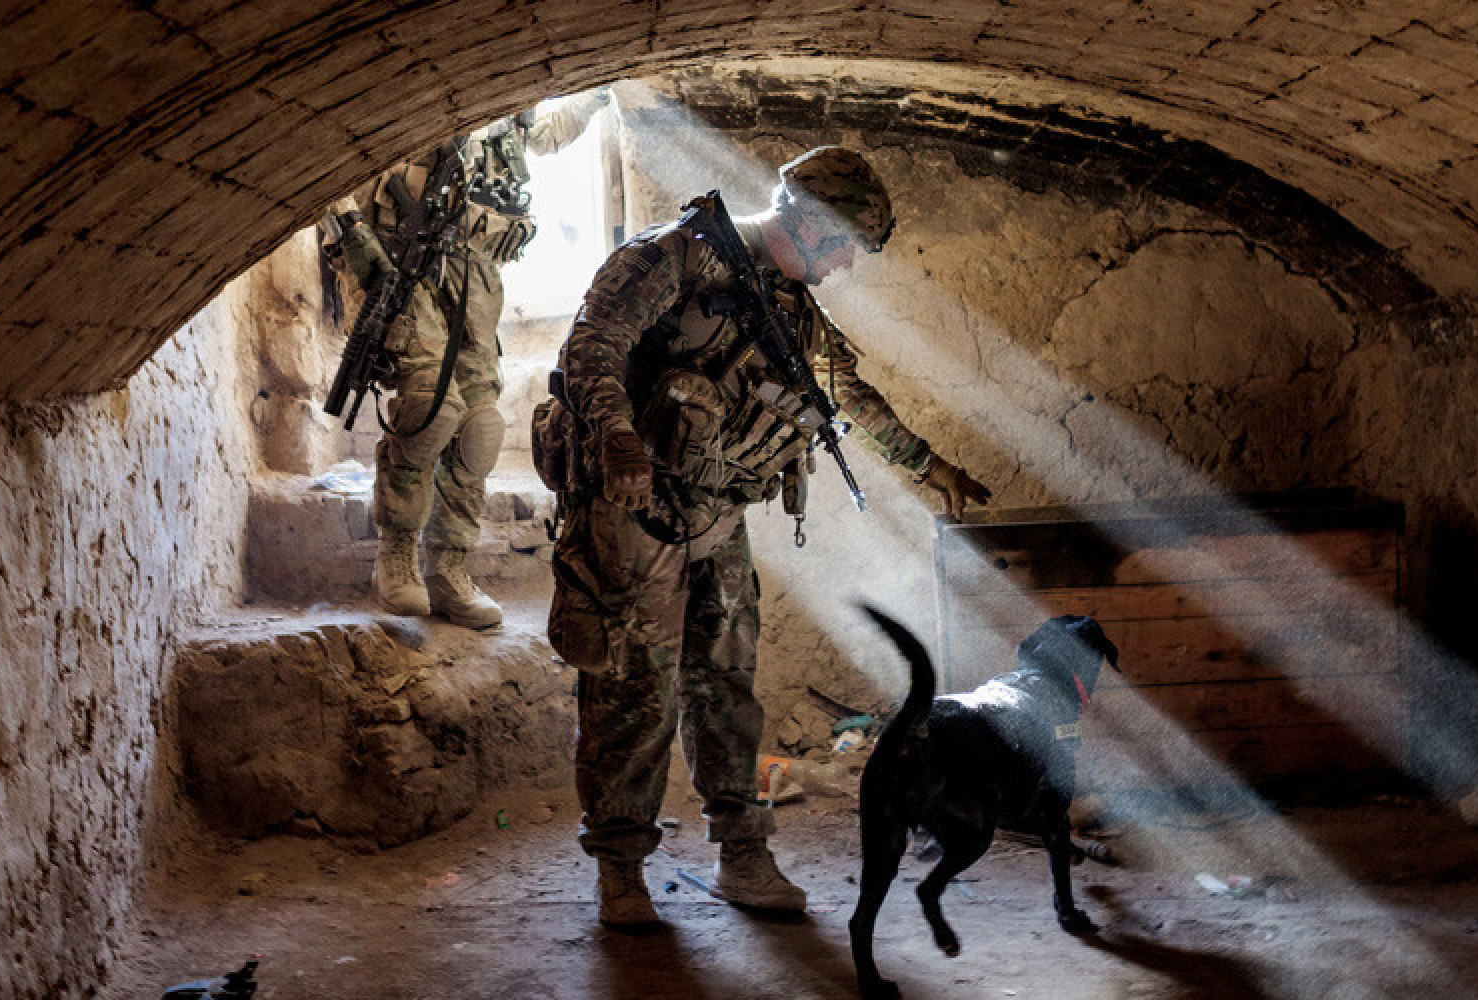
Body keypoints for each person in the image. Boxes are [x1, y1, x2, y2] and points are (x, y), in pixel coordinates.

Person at [538, 146, 993, 926]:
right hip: (632, 516)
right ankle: (621, 870)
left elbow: (843, 392)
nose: (848, 263)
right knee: (633, 695)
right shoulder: (671, 257)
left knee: (727, 694)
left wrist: (931, 466)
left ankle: (742, 855)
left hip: (716, 516)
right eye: (847, 243)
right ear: (812, 222)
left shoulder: (787, 305)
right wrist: (615, 436)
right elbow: (594, 343)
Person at [325, 90, 607, 628]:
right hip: (403, 269)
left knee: (481, 427)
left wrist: (600, 96)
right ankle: (397, 556)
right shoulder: (408, 89)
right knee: (432, 406)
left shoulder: (507, 105)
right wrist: (359, 254)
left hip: (474, 283)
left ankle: (448, 570)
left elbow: (545, 133)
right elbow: (331, 174)